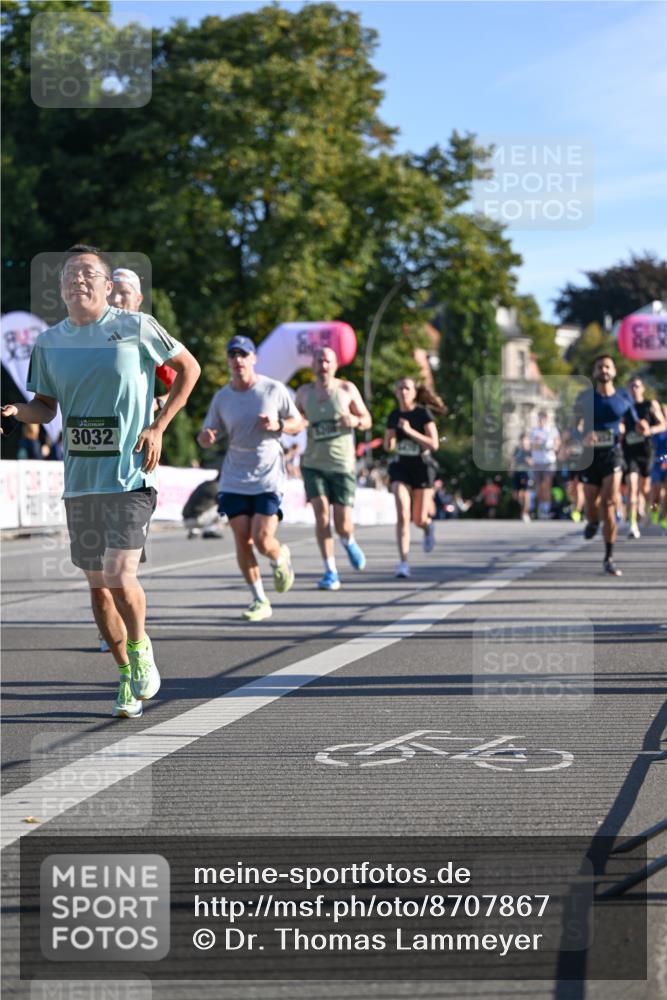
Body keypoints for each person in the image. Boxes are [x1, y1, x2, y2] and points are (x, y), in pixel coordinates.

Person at [1, 245, 200, 717]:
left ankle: (140, 647)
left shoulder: (135, 327)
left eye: (89, 273)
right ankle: (125, 674)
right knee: (98, 587)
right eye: (70, 274)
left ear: (108, 287)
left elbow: (189, 369)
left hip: (130, 473)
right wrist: (12, 413)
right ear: (60, 288)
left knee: (118, 573)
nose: (78, 280)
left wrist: (158, 425)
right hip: (81, 480)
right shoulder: (49, 343)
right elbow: (45, 407)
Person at [197, 335, 303, 621]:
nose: (238, 360)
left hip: (268, 474)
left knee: (262, 539)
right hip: (234, 476)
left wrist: (279, 424)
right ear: (228, 360)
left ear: (254, 358)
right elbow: (206, 434)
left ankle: (280, 556)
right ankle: (259, 599)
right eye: (233, 355)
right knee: (242, 540)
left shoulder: (273, 390)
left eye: (243, 354)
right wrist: (206, 437)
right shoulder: (222, 397)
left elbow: (298, 423)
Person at [295, 347, 371, 590]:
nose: (323, 365)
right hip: (313, 464)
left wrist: (356, 420)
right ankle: (330, 571)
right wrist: (298, 424)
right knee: (322, 517)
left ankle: (348, 541)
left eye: (327, 361)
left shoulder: (347, 390)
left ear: (336, 365)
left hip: (342, 465)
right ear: (313, 365)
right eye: (319, 361)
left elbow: (367, 419)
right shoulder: (304, 393)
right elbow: (295, 420)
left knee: (342, 524)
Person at [577, 355, 646, 576]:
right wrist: (582, 436)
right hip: (589, 457)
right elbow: (572, 426)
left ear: (614, 371)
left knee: (609, 501)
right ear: (595, 372)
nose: (604, 370)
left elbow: (635, 422)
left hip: (613, 455)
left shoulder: (624, 398)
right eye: (600, 367)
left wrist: (642, 426)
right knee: (591, 504)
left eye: (608, 366)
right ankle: (592, 521)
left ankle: (609, 557)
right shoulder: (585, 398)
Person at [383, 378, 443, 578]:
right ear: (395, 392)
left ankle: (427, 526)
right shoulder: (394, 415)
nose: (403, 391)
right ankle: (403, 563)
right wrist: (390, 439)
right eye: (399, 388)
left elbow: (434, 445)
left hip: (422, 467)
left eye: (407, 388)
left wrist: (409, 431)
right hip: (401, 467)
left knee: (418, 519)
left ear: (414, 392)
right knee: (402, 513)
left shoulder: (422, 414)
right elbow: (388, 446)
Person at [109, 267, 176, 413]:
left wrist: (158, 404)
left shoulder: (146, 333)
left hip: (135, 433)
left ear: (138, 299)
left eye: (124, 293)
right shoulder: (89, 333)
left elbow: (183, 378)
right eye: (111, 293)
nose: (115, 299)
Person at [622, 376, 665, 538]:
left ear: (643, 388)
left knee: (647, 491)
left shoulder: (650, 405)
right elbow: (618, 423)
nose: (634, 389)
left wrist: (650, 430)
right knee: (632, 487)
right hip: (629, 451)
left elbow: (663, 424)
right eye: (631, 386)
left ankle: (652, 511)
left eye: (637, 386)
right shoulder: (624, 407)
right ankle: (632, 524)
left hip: (647, 451)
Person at [529, 410, 560, 520]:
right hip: (537, 462)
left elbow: (557, 444)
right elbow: (531, 445)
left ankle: (546, 509)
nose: (542, 420)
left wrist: (552, 447)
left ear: (547, 419)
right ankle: (541, 507)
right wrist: (540, 446)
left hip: (548, 462)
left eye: (544, 418)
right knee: (538, 488)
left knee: (546, 485)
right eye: (540, 418)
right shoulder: (534, 431)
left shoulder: (552, 430)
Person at [510, 433, 533, 522]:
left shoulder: (530, 450)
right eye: (523, 440)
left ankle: (525, 512)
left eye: (526, 440)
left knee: (527, 493)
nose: (524, 442)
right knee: (517, 495)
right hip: (517, 473)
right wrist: (511, 468)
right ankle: (523, 510)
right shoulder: (517, 450)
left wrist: (529, 461)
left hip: (527, 473)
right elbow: (513, 460)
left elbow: (533, 462)